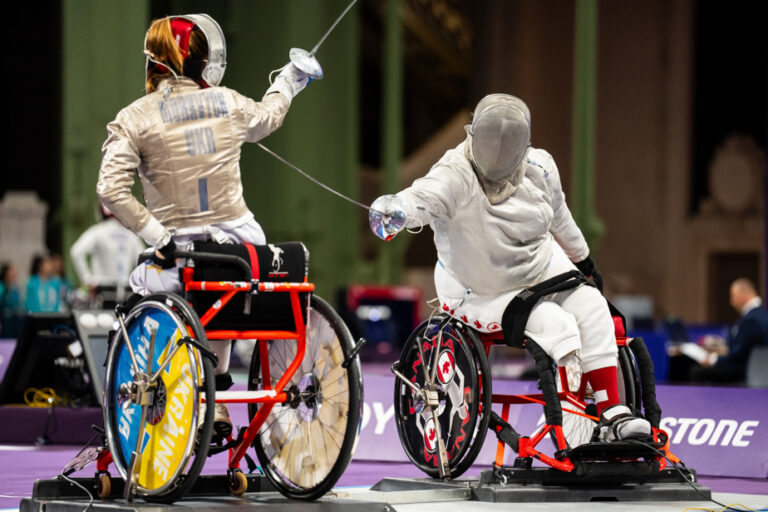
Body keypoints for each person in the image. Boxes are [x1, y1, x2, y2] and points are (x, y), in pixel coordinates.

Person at [369, 93, 650, 442]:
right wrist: (397, 208)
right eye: (489, 141)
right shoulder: (453, 174)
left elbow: (560, 218)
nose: (498, 150)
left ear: (525, 146)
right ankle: (577, 429)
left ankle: (612, 413)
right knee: (556, 325)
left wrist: (583, 260)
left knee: (593, 307)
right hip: (481, 288)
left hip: (541, 267)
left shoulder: (541, 167)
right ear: (472, 135)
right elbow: (421, 197)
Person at [96, 13, 320, 441]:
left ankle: (174, 402)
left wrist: (157, 236)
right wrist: (290, 78)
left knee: (155, 287)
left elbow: (109, 189)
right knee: (221, 288)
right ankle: (214, 397)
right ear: (201, 62)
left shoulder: (135, 117)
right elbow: (270, 114)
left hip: (182, 259)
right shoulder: (230, 102)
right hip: (247, 261)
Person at [689, 278, 768, 383]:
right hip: (750, 368)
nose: (732, 302)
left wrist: (714, 359)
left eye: (733, 296)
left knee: (697, 371)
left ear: (743, 294)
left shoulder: (751, 320)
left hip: (745, 370)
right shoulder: (758, 315)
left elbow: (739, 354)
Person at [70, 204, 145, 307]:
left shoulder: (98, 231)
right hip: (126, 291)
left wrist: (88, 280)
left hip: (101, 290)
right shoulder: (131, 234)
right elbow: (143, 261)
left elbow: (76, 251)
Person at [0, 262, 23, 338]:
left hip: (15, 323)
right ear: (5, 273)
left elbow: (19, 306)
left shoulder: (15, 289)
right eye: (11, 270)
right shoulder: (1, 288)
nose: (14, 272)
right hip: (4, 323)